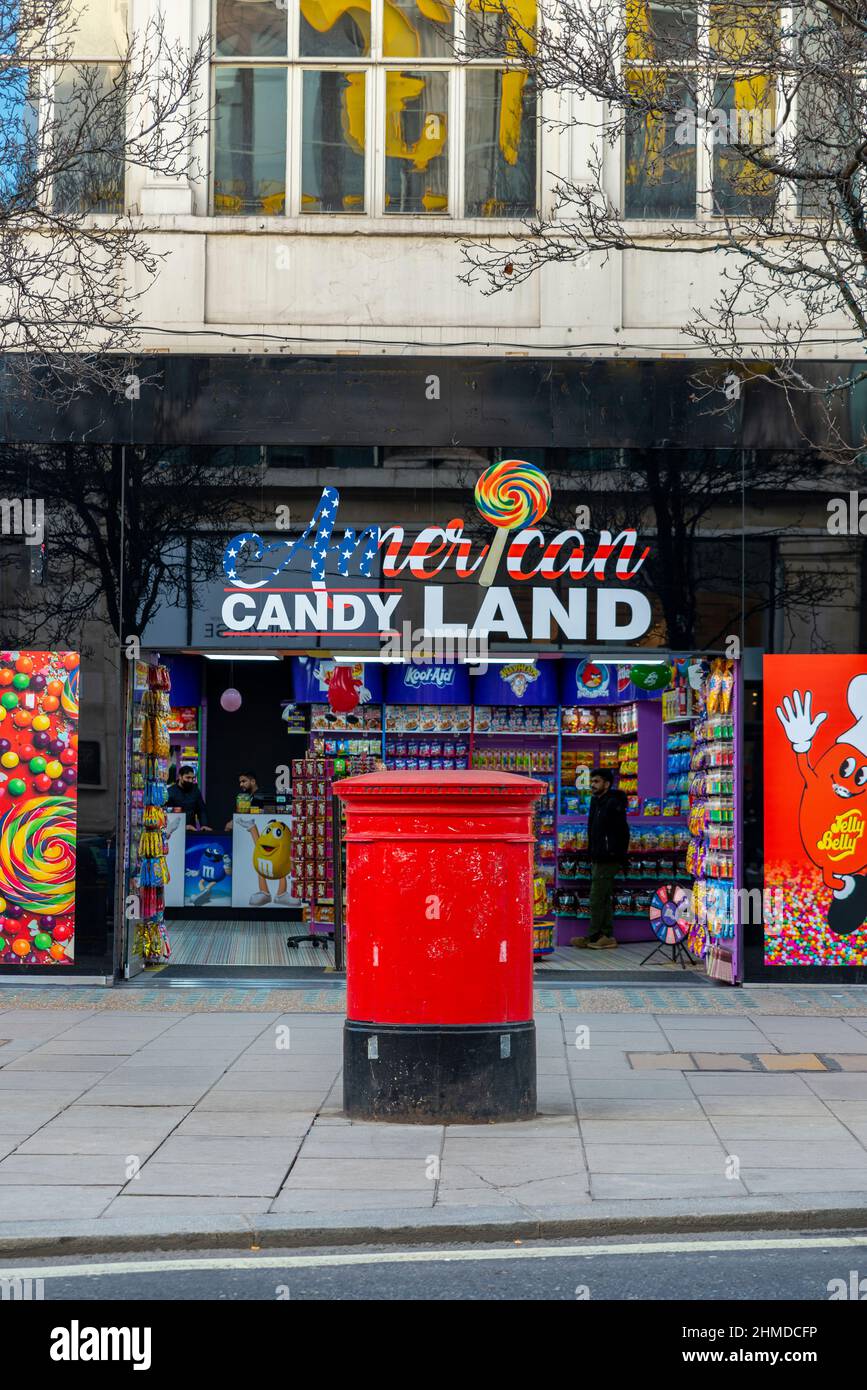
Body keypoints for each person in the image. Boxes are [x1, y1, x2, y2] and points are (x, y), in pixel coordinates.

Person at [572, 767, 629, 951]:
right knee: (602, 897)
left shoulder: (613, 803)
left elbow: (622, 831)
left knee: (597, 897)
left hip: (608, 857)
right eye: (592, 781)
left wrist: (616, 853)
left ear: (607, 783)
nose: (593, 785)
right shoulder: (596, 802)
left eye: (596, 781)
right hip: (597, 855)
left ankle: (595, 934)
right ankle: (604, 935)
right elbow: (592, 830)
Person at [166, 765, 211, 831]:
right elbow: (167, 815)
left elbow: (201, 810)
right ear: (180, 776)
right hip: (175, 832)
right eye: (188, 777)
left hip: (191, 831)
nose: (190, 781)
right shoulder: (170, 792)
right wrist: (183, 826)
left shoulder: (195, 791)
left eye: (192, 778)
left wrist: (204, 825)